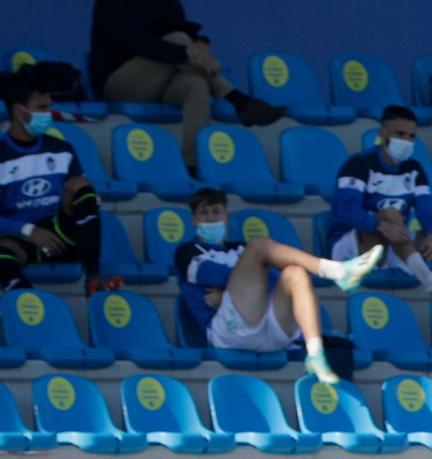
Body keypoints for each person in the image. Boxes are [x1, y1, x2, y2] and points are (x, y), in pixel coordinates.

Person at [177, 188, 380, 385]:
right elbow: (212, 275)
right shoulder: (187, 252)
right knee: (259, 246)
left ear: (226, 216)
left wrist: (236, 287)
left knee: (295, 274)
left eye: (216, 211)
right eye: (204, 213)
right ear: (194, 220)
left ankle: (315, 354)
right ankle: (336, 271)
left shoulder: (240, 248)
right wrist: (241, 281)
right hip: (230, 332)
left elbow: (273, 282)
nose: (211, 218)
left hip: (271, 333)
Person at [87, 0, 281, 171]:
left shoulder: (168, 2)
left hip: (158, 79)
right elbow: (139, 44)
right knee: (178, 40)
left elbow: (185, 32)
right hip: (120, 84)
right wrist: (189, 53)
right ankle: (237, 99)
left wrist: (201, 45)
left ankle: (191, 165)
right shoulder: (110, 3)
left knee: (196, 85)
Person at [328, 107, 432, 296]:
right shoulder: (358, 164)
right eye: (400, 134)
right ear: (383, 133)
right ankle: (429, 280)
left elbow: (426, 208)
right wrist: (378, 224)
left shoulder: (414, 169)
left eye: (411, 136)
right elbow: (345, 209)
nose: (406, 141)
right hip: (354, 247)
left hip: (395, 244)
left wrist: (431, 234)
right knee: (391, 214)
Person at [0, 77, 106, 294]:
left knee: (82, 188)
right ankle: (31, 308)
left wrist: (89, 200)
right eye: (42, 108)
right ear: (19, 112)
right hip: (21, 238)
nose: (48, 114)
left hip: (62, 233)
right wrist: (30, 231)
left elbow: (80, 192)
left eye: (49, 107)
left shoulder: (61, 148)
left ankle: (93, 277)